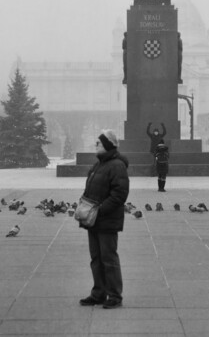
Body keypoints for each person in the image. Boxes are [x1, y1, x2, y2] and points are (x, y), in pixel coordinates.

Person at [79, 129, 129, 309]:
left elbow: (119, 194)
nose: (96, 145)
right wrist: (83, 205)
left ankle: (115, 296)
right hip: (93, 219)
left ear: (107, 145)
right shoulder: (99, 164)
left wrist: (99, 210)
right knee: (96, 258)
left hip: (106, 220)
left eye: (99, 143)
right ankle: (98, 293)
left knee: (108, 259)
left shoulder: (117, 165)